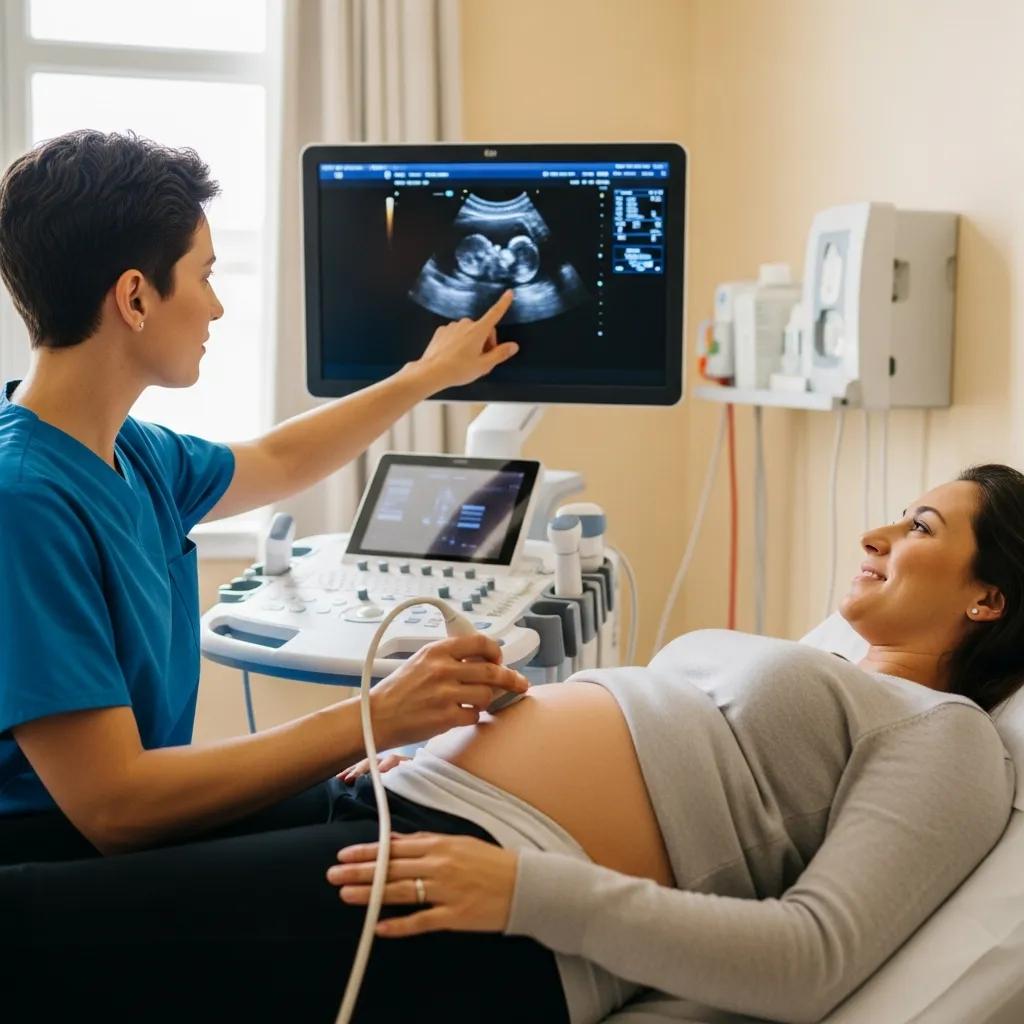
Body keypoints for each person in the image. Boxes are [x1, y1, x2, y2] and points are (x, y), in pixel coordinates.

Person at [0, 133, 1015, 1023]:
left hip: (477, 856)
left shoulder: (947, 737)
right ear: (134, 296)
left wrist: (424, 376)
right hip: (382, 812)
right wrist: (386, 723)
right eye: (205, 273)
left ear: (991, 600)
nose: (219, 302)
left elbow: (810, 955)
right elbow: (116, 803)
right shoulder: (31, 489)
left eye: (921, 522)